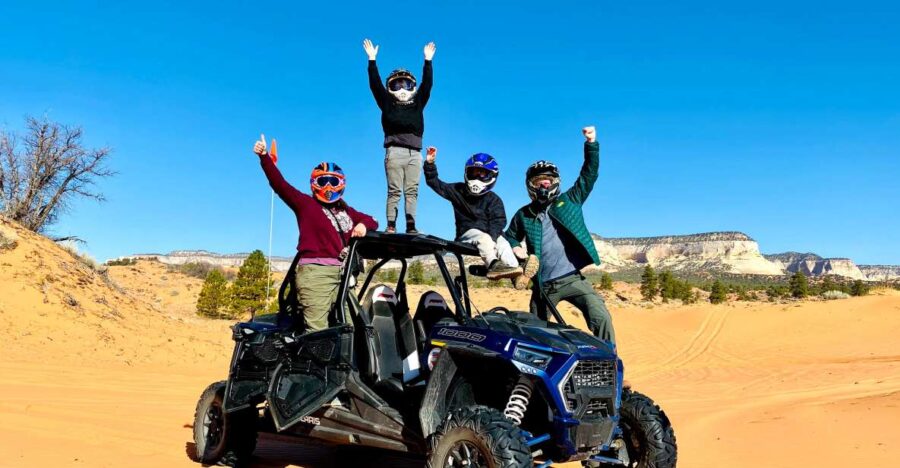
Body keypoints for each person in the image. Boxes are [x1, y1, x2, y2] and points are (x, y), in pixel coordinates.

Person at [252, 134, 378, 332]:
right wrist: (265, 157)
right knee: (318, 332)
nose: (328, 187)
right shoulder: (305, 205)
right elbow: (279, 185)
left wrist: (363, 226)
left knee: (350, 328)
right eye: (323, 181)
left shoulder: (346, 211)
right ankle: (316, 362)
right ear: (314, 183)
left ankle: (347, 363)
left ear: (342, 184)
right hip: (315, 273)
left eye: (333, 181)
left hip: (342, 275)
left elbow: (372, 220)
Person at [503, 126, 615, 344]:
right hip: (543, 285)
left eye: (548, 180)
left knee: (600, 316)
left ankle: (610, 361)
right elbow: (510, 237)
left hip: (572, 278)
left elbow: (589, 175)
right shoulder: (523, 214)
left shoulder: (570, 201)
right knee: (535, 332)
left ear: (556, 182)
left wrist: (591, 144)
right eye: (538, 181)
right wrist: (519, 253)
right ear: (530, 185)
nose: (544, 184)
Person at [363, 38, 436, 234]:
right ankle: (391, 226)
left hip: (415, 153)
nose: (401, 89)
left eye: (405, 84)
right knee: (394, 190)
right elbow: (375, 85)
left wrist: (428, 61)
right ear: (390, 88)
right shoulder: (387, 103)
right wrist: (372, 61)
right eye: (396, 85)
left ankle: (411, 226)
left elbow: (427, 85)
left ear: (413, 86)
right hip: (394, 152)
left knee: (412, 190)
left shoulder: (418, 102)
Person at [423, 146, 522, 280]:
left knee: (503, 242)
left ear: (492, 176)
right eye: (474, 173)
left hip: (489, 235)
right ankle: (493, 265)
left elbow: (498, 221)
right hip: (466, 234)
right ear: (466, 173)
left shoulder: (494, 200)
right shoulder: (458, 190)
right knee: (483, 238)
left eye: (482, 174)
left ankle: (514, 271)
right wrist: (430, 164)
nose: (477, 177)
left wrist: (494, 239)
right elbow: (435, 183)